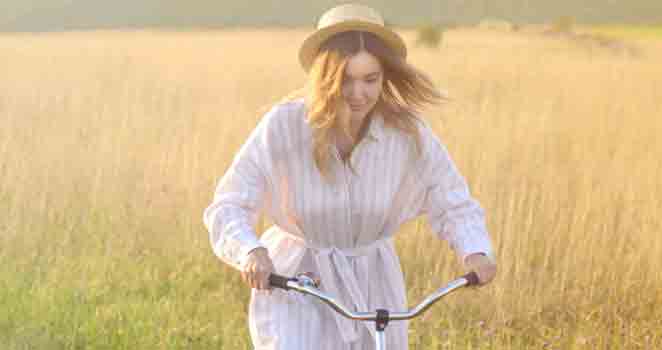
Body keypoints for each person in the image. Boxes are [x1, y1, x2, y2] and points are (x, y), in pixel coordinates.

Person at [202, 4, 497, 349]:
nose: (359, 94)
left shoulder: (407, 133)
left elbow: (451, 201)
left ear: (385, 76)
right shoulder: (282, 126)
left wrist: (475, 250)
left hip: (374, 282)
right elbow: (229, 204)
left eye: (370, 80)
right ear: (325, 77)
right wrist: (251, 251)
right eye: (346, 80)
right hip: (297, 282)